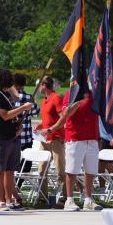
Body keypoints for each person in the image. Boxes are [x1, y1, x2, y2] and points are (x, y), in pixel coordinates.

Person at [49, 85, 101, 211]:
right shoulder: (70, 94)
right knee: (72, 170)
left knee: (91, 171)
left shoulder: (94, 93)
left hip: (92, 137)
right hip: (75, 137)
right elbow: (65, 114)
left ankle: (88, 200)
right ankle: (69, 200)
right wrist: (79, 100)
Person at [0, 68, 32, 211]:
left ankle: (9, 200)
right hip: (1, 139)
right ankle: (0, 201)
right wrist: (23, 108)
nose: (11, 82)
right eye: (9, 79)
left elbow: (13, 108)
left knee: (10, 171)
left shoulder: (6, 95)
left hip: (12, 137)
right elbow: (5, 115)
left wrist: (18, 126)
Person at [34, 76, 66, 205]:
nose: (38, 89)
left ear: (44, 85)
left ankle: (64, 197)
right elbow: (47, 120)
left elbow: (63, 118)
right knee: (41, 170)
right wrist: (40, 127)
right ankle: (43, 197)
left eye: (39, 86)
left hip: (56, 139)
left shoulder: (56, 98)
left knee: (60, 170)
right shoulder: (44, 101)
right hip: (44, 139)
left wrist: (51, 129)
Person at [13, 74, 39, 157]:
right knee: (25, 167)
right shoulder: (29, 98)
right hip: (26, 138)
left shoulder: (8, 97)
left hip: (12, 137)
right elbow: (36, 113)